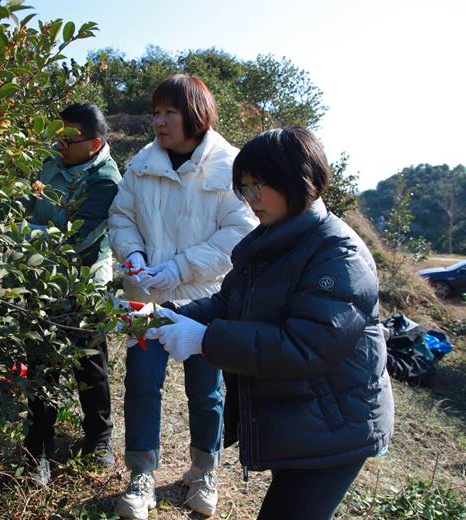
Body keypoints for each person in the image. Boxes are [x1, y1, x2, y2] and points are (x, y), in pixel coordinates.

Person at [145, 127, 395, 520]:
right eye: (245, 187)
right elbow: (228, 302)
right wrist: (167, 314)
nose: (251, 197)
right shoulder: (271, 240)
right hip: (303, 419)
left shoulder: (338, 255)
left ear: (300, 180)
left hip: (335, 425)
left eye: (259, 185)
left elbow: (305, 346)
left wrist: (206, 340)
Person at [108, 74, 258, 518]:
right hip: (144, 297)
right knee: (141, 385)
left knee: (206, 390)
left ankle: (203, 471)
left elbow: (241, 232)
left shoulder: (230, 166)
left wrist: (179, 267)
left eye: (169, 112)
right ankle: (141, 476)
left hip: (207, 298)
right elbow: (121, 217)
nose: (159, 121)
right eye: (155, 112)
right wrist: (134, 255)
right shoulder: (142, 164)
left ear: (196, 114)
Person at [24, 102, 122, 486]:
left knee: (89, 363)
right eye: (58, 136)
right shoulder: (50, 163)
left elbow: (76, 239)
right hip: (41, 277)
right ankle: (38, 447)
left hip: (84, 280)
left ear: (94, 144)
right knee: (41, 362)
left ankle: (99, 438)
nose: (59, 145)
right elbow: (26, 204)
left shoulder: (106, 181)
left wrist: (18, 236)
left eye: (68, 139)